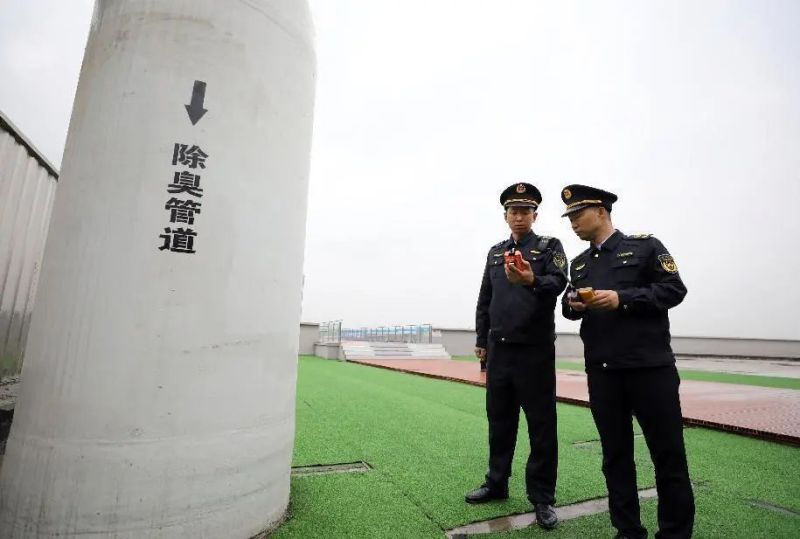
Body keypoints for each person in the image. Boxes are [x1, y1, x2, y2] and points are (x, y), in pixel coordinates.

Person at [560, 184, 694, 539]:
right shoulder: (580, 263)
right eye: (569, 217)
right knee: (615, 456)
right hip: (603, 373)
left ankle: (675, 533)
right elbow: (568, 306)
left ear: (601, 211)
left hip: (649, 369)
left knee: (667, 455)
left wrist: (623, 298)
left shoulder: (645, 247)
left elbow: (674, 289)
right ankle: (628, 531)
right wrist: (572, 305)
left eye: (578, 214)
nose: (572, 222)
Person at [468, 182, 568, 530]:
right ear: (506, 216)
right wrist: (481, 339)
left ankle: (542, 498)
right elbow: (485, 298)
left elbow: (559, 283)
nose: (520, 216)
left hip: (534, 351)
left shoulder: (549, 247)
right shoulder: (495, 252)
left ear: (535, 215)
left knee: (541, 427)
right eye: (514, 211)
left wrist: (531, 280)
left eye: (526, 211)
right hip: (499, 351)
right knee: (499, 421)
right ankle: (496, 483)